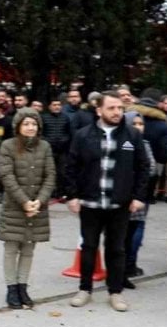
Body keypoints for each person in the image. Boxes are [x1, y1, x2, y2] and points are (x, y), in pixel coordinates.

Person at [65, 92, 150, 312]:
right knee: (89, 247)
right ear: (99, 110)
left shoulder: (132, 136)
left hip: (119, 204)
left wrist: (139, 197)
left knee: (116, 249)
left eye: (120, 108)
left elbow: (144, 167)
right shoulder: (83, 135)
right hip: (90, 203)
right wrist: (72, 195)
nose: (117, 112)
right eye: (111, 108)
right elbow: (71, 167)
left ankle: (115, 292)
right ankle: (85, 289)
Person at [0, 108, 55, 309]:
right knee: (11, 247)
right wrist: (24, 202)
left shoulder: (45, 147)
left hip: (37, 207)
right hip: (15, 206)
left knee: (29, 248)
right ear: (18, 126)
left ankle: (23, 286)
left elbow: (50, 176)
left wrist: (39, 200)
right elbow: (7, 176)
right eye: (26, 124)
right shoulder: (7, 146)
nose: (30, 127)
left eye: (34, 123)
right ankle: (11, 287)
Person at [122, 111, 157, 286]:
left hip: (138, 197)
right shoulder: (121, 142)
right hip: (121, 198)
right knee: (118, 238)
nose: (138, 127)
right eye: (134, 124)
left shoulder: (145, 144)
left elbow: (150, 168)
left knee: (131, 237)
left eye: (140, 124)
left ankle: (126, 271)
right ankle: (117, 273)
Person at [41, 97, 72, 199]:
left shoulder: (65, 118)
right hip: (48, 150)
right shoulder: (44, 117)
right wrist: (47, 141)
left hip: (62, 150)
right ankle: (48, 192)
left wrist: (64, 140)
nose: (57, 107)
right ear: (50, 107)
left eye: (58, 105)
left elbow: (69, 133)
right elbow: (41, 133)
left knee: (62, 172)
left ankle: (60, 193)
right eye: (54, 105)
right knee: (48, 172)